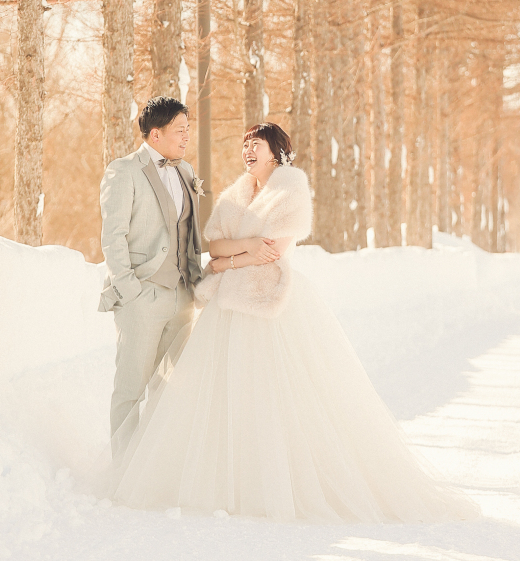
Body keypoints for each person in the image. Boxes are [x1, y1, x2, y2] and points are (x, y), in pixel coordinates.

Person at [105, 121, 477, 523]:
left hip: (271, 301)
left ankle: (278, 481)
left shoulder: (291, 189)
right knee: (223, 392)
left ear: (276, 150)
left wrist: (227, 260)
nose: (248, 150)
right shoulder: (238, 193)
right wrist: (239, 251)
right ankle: (222, 477)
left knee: (276, 391)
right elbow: (214, 245)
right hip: (228, 305)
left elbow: (276, 252)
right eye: (245, 144)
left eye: (257, 144)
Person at [98, 95, 203, 456]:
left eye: (188, 129)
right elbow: (113, 237)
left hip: (182, 298)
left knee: (172, 388)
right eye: (180, 130)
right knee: (131, 388)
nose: (187, 136)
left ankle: (157, 467)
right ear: (155, 135)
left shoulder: (186, 171)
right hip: (143, 296)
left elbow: (188, 233)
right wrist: (130, 290)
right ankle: (123, 471)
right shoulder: (123, 170)